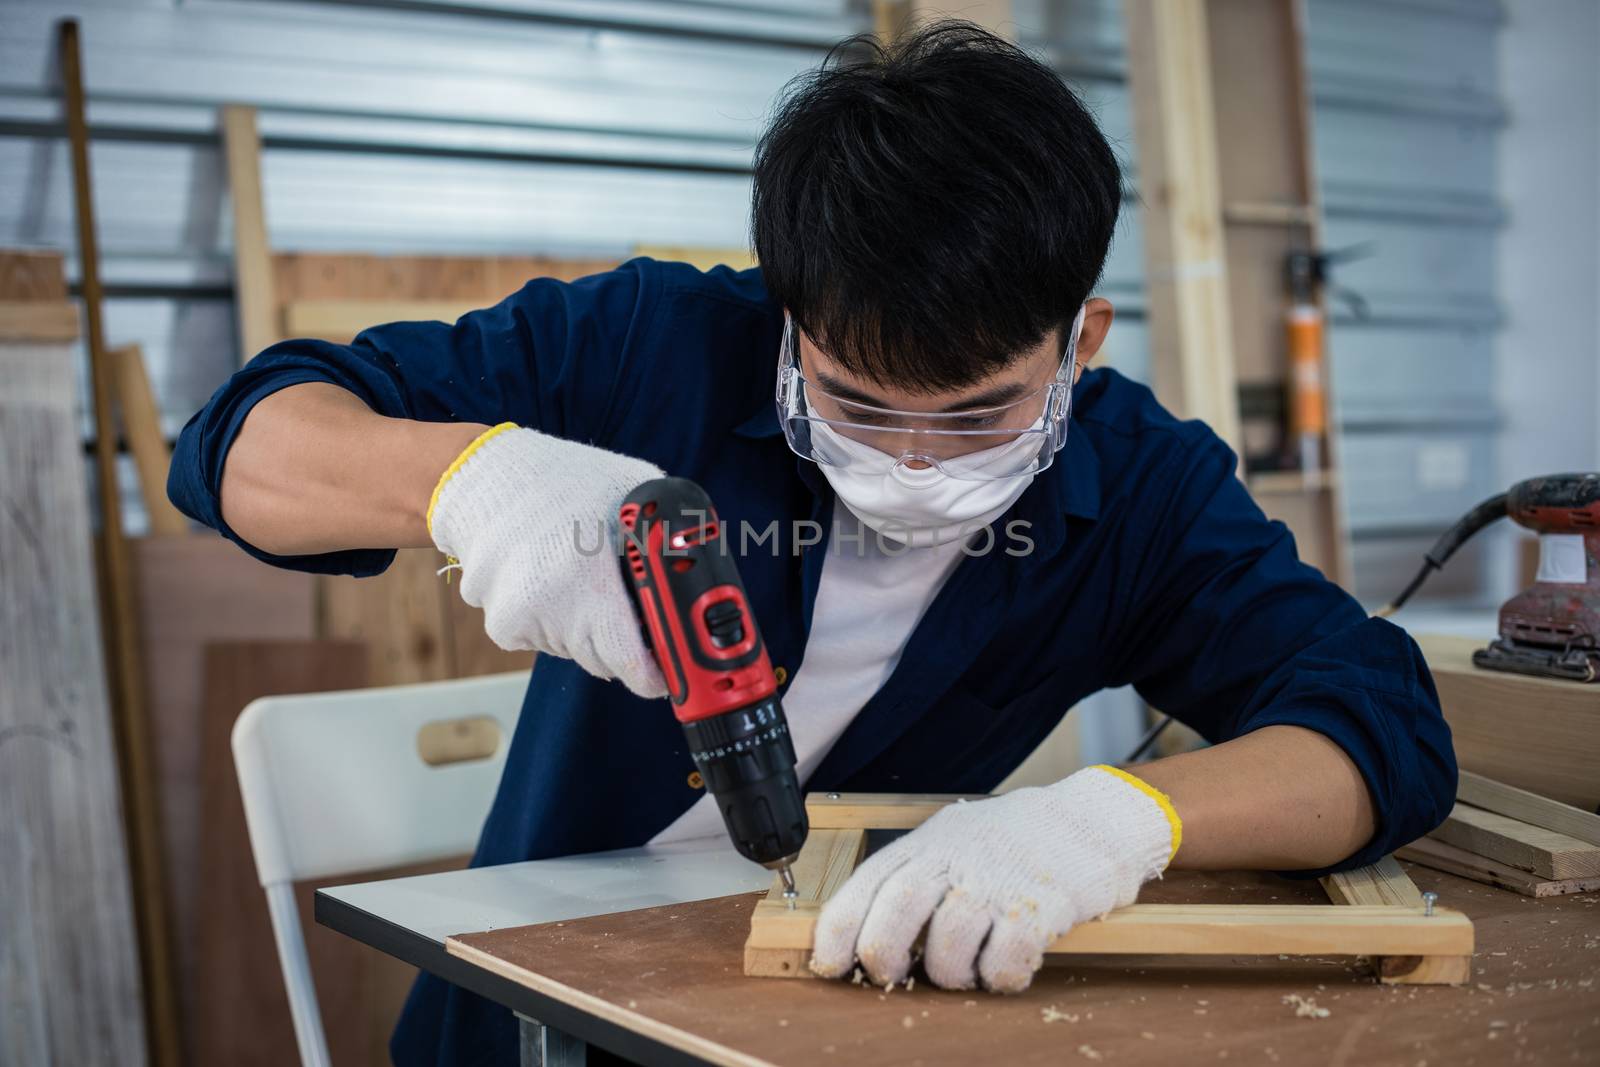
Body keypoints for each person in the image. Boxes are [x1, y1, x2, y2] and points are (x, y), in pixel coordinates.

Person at [170, 22, 1454, 1067]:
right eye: (856, 402)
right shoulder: (650, 345)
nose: (912, 463)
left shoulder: (1143, 490)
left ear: (1083, 341)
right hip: (523, 1019)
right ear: (788, 323)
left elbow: (1381, 727)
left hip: (830, 1019)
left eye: (979, 415)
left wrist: (1110, 823)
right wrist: (463, 478)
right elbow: (231, 446)